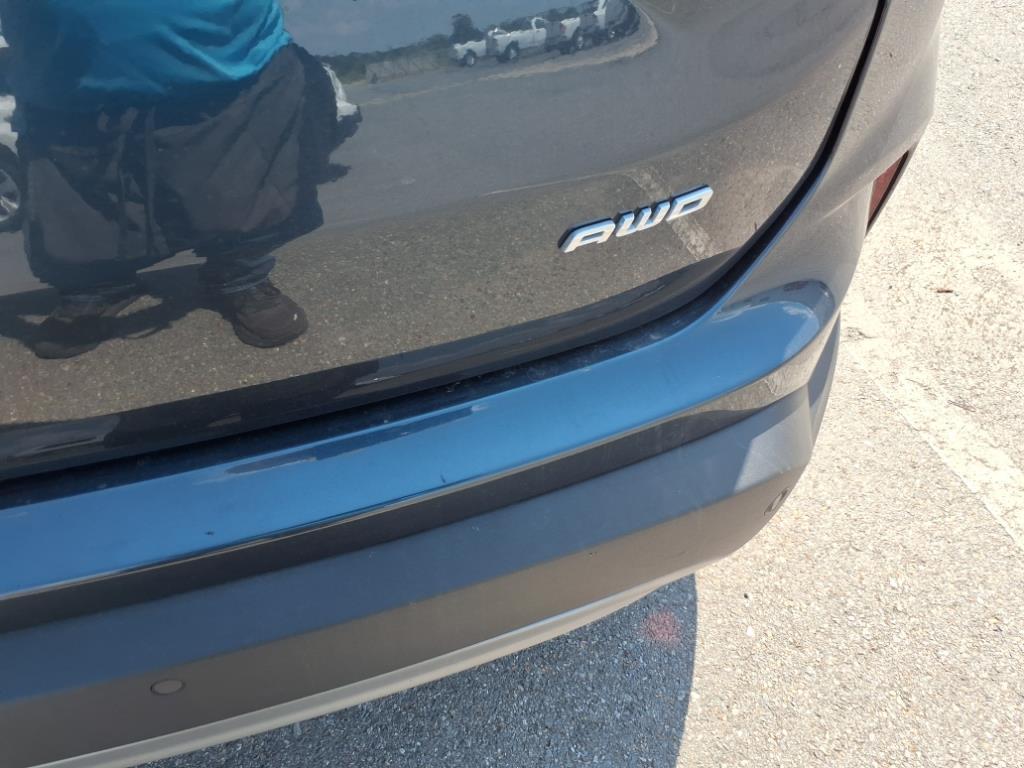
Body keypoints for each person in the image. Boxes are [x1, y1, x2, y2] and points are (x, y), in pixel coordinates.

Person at [0, 0, 322, 358]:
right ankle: (95, 286)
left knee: (241, 191)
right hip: (59, 82)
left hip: (226, 64)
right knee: (75, 202)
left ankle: (240, 274)